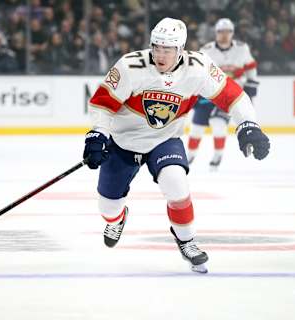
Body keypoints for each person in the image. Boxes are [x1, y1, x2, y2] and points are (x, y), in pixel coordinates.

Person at [82, 17, 270, 273]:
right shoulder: (130, 66)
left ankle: (188, 240)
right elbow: (103, 102)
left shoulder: (198, 67)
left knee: (177, 184)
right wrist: (98, 134)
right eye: (156, 47)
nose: (160, 54)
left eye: (167, 49)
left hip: (164, 140)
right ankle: (117, 218)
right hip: (123, 142)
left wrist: (248, 124)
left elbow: (233, 96)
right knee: (107, 206)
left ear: (180, 49)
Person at [187, 18, 259, 169]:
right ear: (216, 33)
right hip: (208, 93)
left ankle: (217, 155)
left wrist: (252, 84)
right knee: (196, 128)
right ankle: (191, 154)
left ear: (232, 33)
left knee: (218, 123)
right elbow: (196, 70)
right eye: (221, 32)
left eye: (228, 32)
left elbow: (251, 66)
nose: (224, 35)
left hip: (229, 95)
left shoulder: (242, 48)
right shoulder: (206, 50)